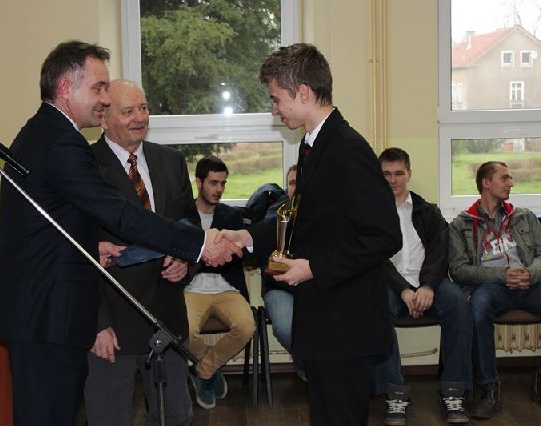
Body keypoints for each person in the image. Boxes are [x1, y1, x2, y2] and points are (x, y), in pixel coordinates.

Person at [0, 41, 238, 426]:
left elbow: (51, 224)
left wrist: (91, 246)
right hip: (46, 314)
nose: (104, 98)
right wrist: (200, 243)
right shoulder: (61, 142)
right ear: (66, 88)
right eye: (98, 88)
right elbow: (120, 214)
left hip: (45, 310)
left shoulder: (46, 132)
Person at [220, 43, 402, 425]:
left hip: (346, 326)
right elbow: (301, 218)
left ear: (303, 92)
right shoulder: (312, 144)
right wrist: (249, 238)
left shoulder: (348, 149)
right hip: (324, 321)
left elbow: (385, 236)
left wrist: (314, 267)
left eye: (276, 98)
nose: (274, 109)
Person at [83, 80, 197, 425]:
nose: (140, 118)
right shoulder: (84, 166)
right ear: (103, 119)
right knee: (109, 419)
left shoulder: (171, 161)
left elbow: (189, 225)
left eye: (144, 108)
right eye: (128, 111)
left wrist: (184, 261)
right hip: (111, 325)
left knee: (177, 415)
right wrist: (96, 323)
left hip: (166, 317)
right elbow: (76, 246)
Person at [374, 148, 472, 425]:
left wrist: (427, 286)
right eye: (386, 174)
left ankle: (454, 390)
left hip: (429, 282)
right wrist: (404, 290)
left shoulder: (428, 211)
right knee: (376, 308)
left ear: (409, 173)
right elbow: (375, 259)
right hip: (391, 285)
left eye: (399, 173)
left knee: (458, 304)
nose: (393, 180)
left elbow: (440, 252)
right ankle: (395, 394)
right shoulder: (370, 214)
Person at [449, 161, 541, 420]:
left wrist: (529, 274)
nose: (511, 183)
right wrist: (502, 275)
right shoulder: (461, 224)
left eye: (510, 178)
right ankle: (489, 389)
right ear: (486, 183)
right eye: (505, 178)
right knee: (478, 308)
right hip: (492, 287)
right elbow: (458, 270)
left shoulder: (524, 216)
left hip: (528, 282)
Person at [186, 156, 256, 410]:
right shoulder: (182, 215)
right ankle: (210, 370)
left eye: (223, 183)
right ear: (199, 182)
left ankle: (202, 371)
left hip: (227, 287)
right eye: (213, 183)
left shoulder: (232, 216)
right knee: (184, 330)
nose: (219, 189)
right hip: (191, 288)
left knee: (247, 326)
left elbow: (242, 256)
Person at [261, 165, 305, 379]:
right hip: (280, 287)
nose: (296, 187)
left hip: (315, 286)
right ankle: (306, 365)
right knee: (286, 327)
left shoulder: (326, 213)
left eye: (301, 182)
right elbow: (264, 258)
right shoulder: (276, 214)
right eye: (292, 183)